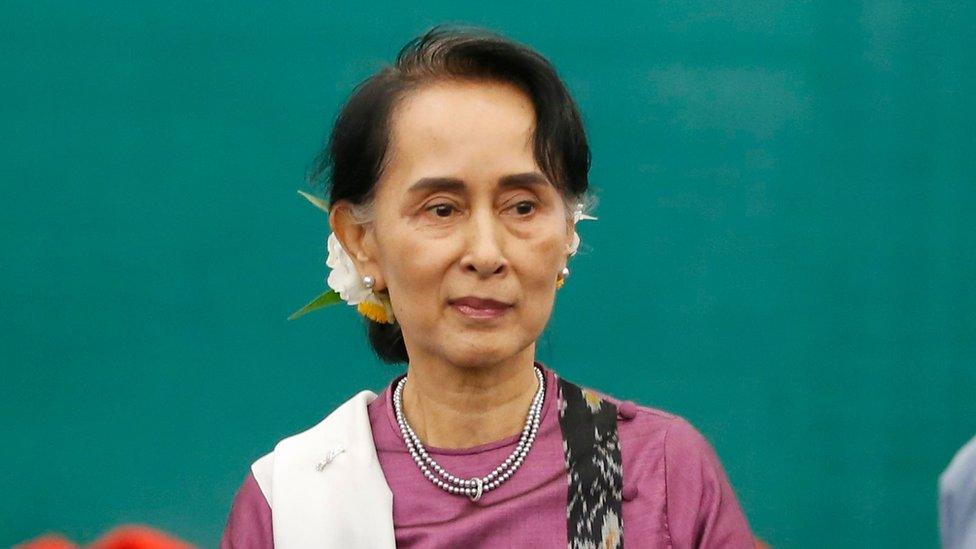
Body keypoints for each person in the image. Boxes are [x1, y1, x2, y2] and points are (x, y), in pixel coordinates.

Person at [221, 24, 755, 548]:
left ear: (568, 228)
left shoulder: (655, 473)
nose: (486, 254)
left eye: (522, 207)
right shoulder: (295, 504)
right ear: (361, 240)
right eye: (441, 209)